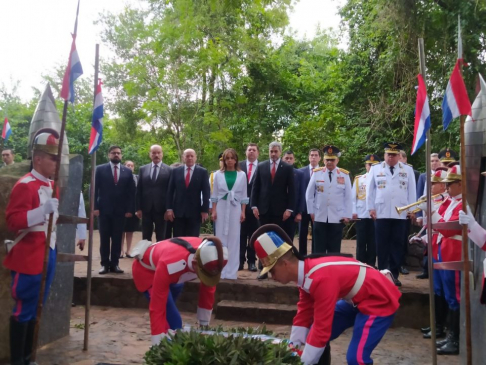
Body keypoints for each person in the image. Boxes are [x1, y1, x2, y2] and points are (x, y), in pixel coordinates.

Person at [251, 224, 401, 365]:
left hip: (377, 299)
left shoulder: (320, 278)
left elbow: (322, 327)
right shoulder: (306, 273)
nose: (272, 276)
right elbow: (304, 311)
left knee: (356, 358)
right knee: (311, 329)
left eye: (272, 270)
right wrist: (293, 346)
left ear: (285, 264)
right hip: (355, 300)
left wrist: (303, 362)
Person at [4, 131, 60, 365]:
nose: (56, 163)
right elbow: (13, 221)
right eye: (52, 158)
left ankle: (29, 358)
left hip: (49, 251)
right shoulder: (25, 185)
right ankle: (19, 361)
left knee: (38, 306)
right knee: (24, 307)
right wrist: (40, 211)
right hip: (29, 254)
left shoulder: (52, 184)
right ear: (38, 158)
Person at [131, 236, 228, 345]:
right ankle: (163, 349)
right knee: (175, 323)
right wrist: (156, 342)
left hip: (174, 276)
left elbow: (208, 290)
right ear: (196, 263)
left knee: (170, 311)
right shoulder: (170, 264)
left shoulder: (211, 256)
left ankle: (167, 339)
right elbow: (157, 306)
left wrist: (204, 324)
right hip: (147, 272)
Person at [366, 142, 416, 286]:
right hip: (381, 212)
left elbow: (411, 190)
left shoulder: (407, 170)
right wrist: (371, 208)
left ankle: (394, 275)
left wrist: (411, 210)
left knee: (397, 244)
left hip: (400, 213)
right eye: (388, 155)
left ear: (399, 156)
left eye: (394, 155)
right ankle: (383, 274)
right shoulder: (375, 169)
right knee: (382, 245)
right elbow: (370, 191)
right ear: (384, 155)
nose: (390, 158)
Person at [409, 168, 449, 339]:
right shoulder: (437, 200)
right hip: (434, 243)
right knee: (436, 289)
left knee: (446, 290)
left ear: (443, 185)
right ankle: (437, 324)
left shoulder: (445, 201)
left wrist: (428, 211)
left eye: (434, 183)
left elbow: (442, 225)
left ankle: (445, 328)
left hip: (444, 246)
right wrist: (422, 238)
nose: (430, 186)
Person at [251, 141, 295, 279]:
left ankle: (278, 269)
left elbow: (292, 190)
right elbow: (255, 187)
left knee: (277, 240)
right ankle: (262, 268)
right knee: (262, 239)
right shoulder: (261, 166)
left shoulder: (287, 168)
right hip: (263, 209)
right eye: (271, 151)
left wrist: (289, 209)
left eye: (276, 151)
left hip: (280, 211)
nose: (273, 154)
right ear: (268, 152)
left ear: (280, 152)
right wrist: (254, 205)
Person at [94, 145, 136, 274]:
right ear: (109, 155)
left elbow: (131, 192)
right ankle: (104, 264)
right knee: (104, 238)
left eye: (118, 153)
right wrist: (95, 207)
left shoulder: (127, 171)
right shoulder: (100, 170)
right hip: (104, 210)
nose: (116, 155)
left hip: (120, 211)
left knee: (117, 238)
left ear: (121, 155)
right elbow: (94, 190)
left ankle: (115, 264)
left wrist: (130, 209)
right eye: (113, 153)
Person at [305, 145, 352, 254]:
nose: (329, 162)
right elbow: (309, 194)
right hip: (319, 215)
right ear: (324, 160)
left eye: (332, 159)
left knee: (334, 248)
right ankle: (318, 269)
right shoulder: (317, 173)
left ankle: (332, 270)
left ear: (337, 160)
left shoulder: (344, 175)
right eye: (327, 159)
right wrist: (311, 211)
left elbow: (348, 197)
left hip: (337, 216)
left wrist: (347, 214)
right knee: (318, 248)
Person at [211, 148, 248, 280]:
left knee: (234, 238)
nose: (230, 161)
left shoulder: (242, 175)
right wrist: (214, 210)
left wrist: (243, 211)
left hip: (235, 207)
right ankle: (221, 270)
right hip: (221, 206)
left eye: (232, 158)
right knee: (220, 238)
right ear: (224, 160)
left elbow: (244, 195)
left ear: (236, 160)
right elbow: (214, 195)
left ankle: (232, 272)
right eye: (227, 158)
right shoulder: (217, 174)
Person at [166, 149, 210, 237]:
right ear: (183, 158)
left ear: (195, 158)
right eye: (187, 156)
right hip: (178, 212)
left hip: (195, 212)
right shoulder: (176, 171)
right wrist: (169, 209)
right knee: (178, 238)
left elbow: (206, 192)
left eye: (192, 156)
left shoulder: (202, 172)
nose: (189, 158)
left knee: (192, 239)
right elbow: (170, 191)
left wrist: (205, 210)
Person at [136, 145, 171, 242]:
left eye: (159, 153)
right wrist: (138, 208)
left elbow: (171, 191)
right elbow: (139, 189)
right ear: (150, 154)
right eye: (154, 153)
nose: (156, 155)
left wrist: (169, 209)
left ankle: (160, 256)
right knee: (146, 236)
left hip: (162, 209)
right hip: (146, 209)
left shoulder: (169, 170)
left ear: (162, 154)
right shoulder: (143, 169)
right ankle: (145, 255)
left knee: (161, 236)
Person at [352, 154, 380, 267]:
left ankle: (371, 264)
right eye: (369, 164)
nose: (371, 167)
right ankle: (360, 264)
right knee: (361, 242)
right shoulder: (359, 179)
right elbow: (353, 198)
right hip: (361, 214)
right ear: (366, 165)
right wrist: (353, 212)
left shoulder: (381, 179)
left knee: (373, 242)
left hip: (375, 215)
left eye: (374, 165)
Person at [239, 143, 259, 272]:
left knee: (253, 235)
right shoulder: (238, 166)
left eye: (254, 150)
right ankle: (240, 261)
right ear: (246, 152)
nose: (251, 152)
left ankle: (252, 261)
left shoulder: (262, 166)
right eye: (249, 150)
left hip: (255, 207)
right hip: (239, 206)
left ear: (258, 153)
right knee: (240, 235)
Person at [298, 148, 321, 255]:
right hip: (303, 207)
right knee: (302, 233)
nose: (313, 157)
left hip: (317, 208)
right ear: (308, 157)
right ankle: (302, 256)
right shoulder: (301, 171)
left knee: (316, 233)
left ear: (320, 158)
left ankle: (314, 256)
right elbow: (298, 190)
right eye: (311, 155)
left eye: (316, 155)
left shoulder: (323, 172)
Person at [282, 150, 305, 242]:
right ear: (282, 159)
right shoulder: (277, 172)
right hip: (278, 212)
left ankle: (288, 257)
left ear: (294, 160)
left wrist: (299, 212)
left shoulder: (299, 174)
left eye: (291, 158)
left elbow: (302, 193)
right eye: (286, 158)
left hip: (293, 213)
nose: (288, 160)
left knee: (289, 239)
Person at [122, 161, 140, 257]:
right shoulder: (120, 177)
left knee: (130, 230)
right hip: (121, 208)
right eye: (128, 165)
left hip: (133, 208)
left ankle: (128, 251)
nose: (130, 167)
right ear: (124, 166)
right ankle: (120, 250)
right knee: (120, 230)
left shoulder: (137, 178)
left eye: (132, 165)